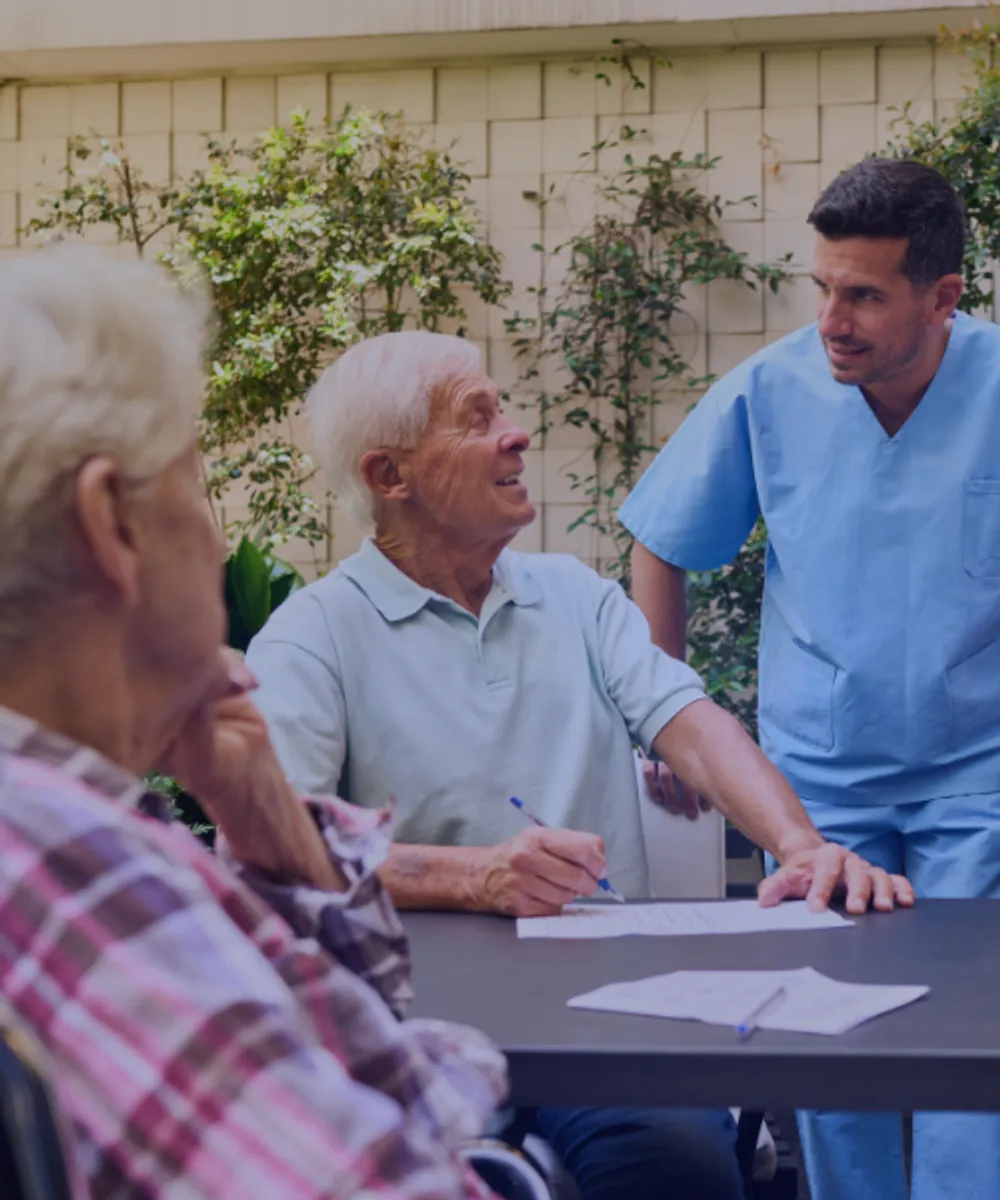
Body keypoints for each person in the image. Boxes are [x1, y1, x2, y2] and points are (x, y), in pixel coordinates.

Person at [246, 328, 914, 1200]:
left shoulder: (576, 596)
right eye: (477, 418)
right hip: (406, 1026)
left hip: (606, 1024)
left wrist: (798, 845)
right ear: (388, 476)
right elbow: (273, 848)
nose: (516, 432)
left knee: (679, 1169)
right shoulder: (313, 634)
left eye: (505, 408)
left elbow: (693, 724)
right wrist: (474, 876)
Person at [0, 245, 508, 1199]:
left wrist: (280, 839)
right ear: (112, 522)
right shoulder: (75, 873)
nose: (222, 538)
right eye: (196, 480)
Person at [619, 156, 999, 1200]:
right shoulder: (769, 389)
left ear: (942, 297)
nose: (833, 316)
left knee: (978, 1045)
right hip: (820, 783)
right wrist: (667, 708)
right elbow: (661, 539)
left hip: (978, 777)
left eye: (865, 294)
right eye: (823, 286)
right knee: (838, 1055)